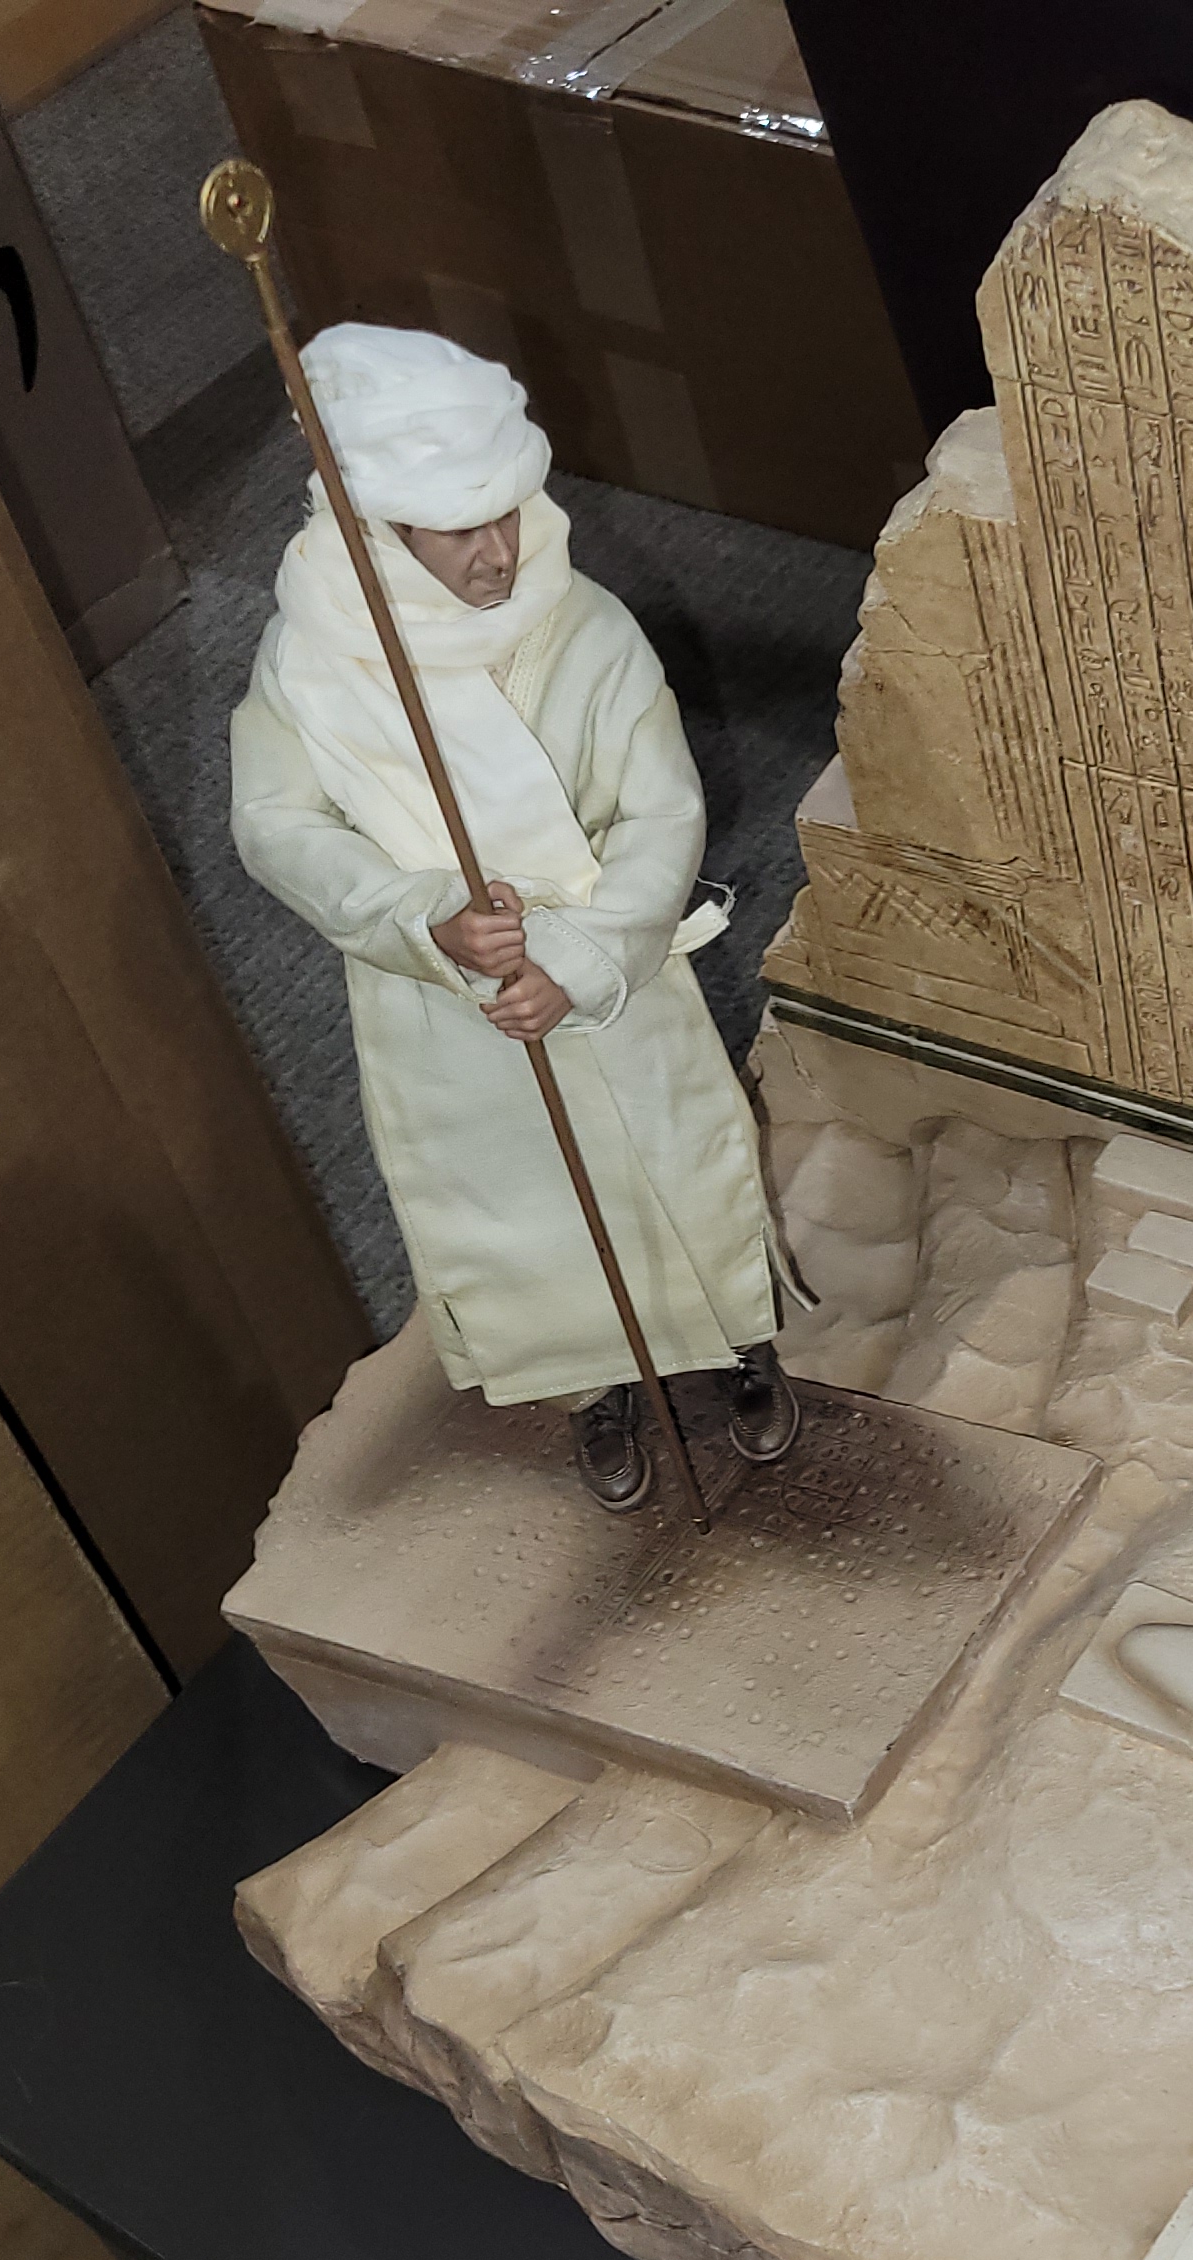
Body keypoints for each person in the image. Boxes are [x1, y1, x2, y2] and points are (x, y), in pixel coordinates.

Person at [232, 324, 795, 1511]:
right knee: (515, 1206)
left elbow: (661, 809)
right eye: (459, 529)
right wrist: (425, 917)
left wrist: (581, 956)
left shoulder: (585, 625)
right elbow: (277, 825)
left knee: (674, 1165)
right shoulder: (312, 660)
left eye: (507, 515)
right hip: (452, 1002)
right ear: (379, 527)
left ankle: (740, 1342)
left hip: (604, 962)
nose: (498, 553)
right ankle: (590, 1385)